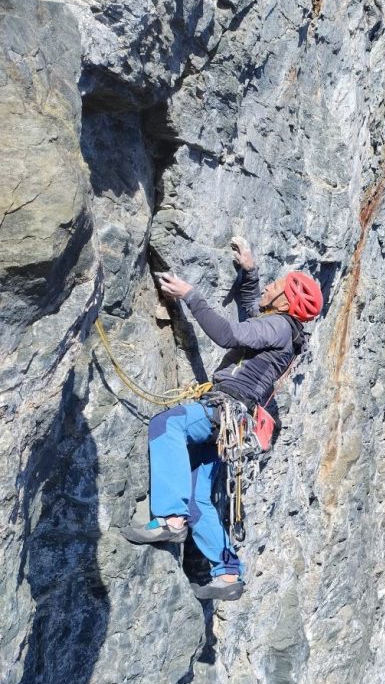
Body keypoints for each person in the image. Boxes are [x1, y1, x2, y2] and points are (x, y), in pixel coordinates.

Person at [123, 237, 323, 600]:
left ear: (286, 303)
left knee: (167, 424)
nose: (268, 288)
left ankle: (169, 518)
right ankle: (228, 573)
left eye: (274, 287)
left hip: (224, 410)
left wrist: (191, 295)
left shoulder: (277, 328)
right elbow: (252, 309)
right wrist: (249, 270)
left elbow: (228, 334)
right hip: (232, 424)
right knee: (199, 498)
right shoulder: (283, 331)